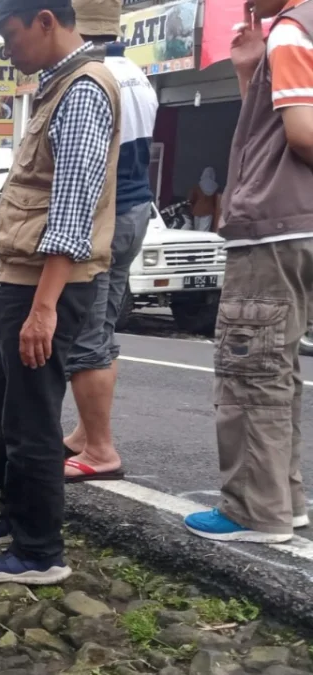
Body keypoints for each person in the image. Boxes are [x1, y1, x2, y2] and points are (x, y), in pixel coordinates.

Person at [0, 0, 121, 584]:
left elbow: (73, 209)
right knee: (3, 407)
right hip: (23, 277)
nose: (7, 48)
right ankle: (17, 514)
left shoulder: (82, 90)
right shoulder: (56, 87)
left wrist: (45, 308)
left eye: (10, 33)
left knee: (31, 420)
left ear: (46, 21)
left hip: (46, 282)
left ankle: (40, 552)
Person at [184, 0, 313, 544]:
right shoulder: (292, 34)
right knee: (276, 365)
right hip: (297, 226)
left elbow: (302, 134)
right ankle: (283, 498)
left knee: (251, 366)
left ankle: (255, 511)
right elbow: (274, 136)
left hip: (274, 228)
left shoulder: (292, 31)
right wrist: (247, 73)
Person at [62, 0, 159, 483]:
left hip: (109, 212)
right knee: (102, 326)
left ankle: (99, 448)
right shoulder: (136, 74)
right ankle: (85, 433)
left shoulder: (93, 78)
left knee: (87, 333)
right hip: (137, 209)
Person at [187, 167, 222, 232]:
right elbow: (217, 201)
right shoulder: (216, 187)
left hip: (197, 210)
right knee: (204, 231)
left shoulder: (198, 185)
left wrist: (192, 208)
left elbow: (191, 198)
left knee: (196, 230)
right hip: (208, 211)